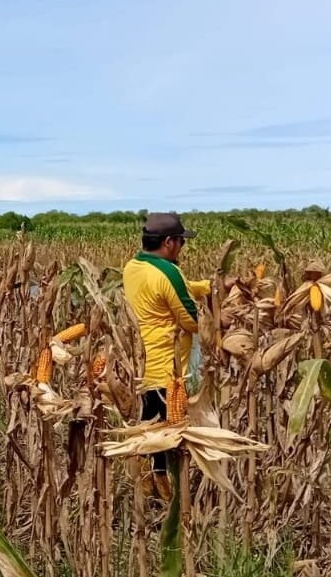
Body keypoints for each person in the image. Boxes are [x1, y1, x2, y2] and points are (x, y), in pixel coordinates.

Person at [121, 212, 200, 500]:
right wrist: (221, 318)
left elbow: (164, 295)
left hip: (143, 364)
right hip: (169, 368)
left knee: (150, 433)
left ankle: (148, 495)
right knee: (168, 442)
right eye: (181, 242)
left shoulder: (133, 266)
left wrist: (210, 287)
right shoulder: (169, 272)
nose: (182, 248)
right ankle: (172, 503)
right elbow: (192, 320)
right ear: (168, 242)